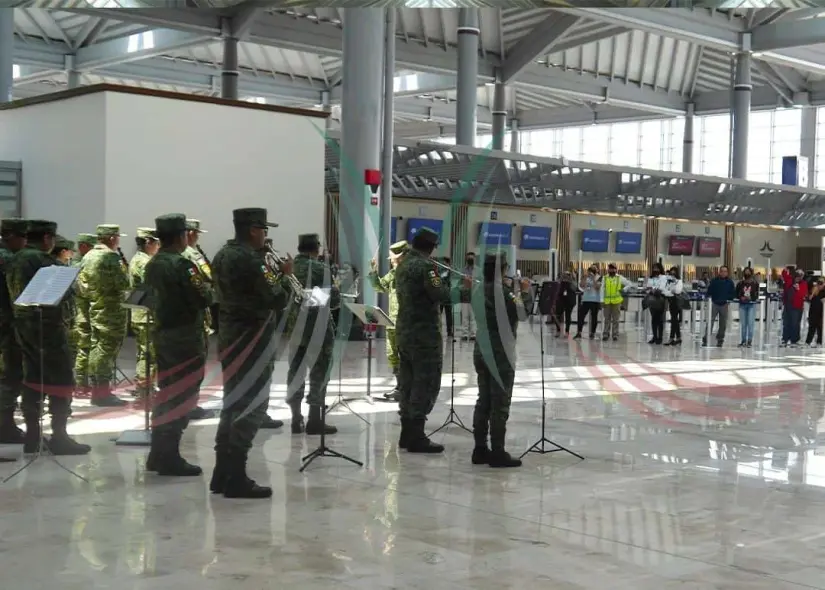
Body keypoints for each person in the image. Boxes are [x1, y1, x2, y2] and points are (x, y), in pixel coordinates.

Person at [210, 208, 293, 499]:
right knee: (251, 405)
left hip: (231, 336)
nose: (267, 236)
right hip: (252, 340)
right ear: (254, 230)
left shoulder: (222, 254)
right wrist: (284, 276)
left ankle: (221, 473)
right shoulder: (250, 260)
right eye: (264, 230)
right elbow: (275, 299)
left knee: (232, 403)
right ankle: (236, 477)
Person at [7, 220, 90, 455]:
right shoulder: (44, 261)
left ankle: (33, 436)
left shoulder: (15, 258)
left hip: (22, 327)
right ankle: (60, 436)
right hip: (48, 329)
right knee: (61, 380)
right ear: (46, 239)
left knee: (32, 379)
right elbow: (66, 293)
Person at [143, 214, 213, 476]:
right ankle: (169, 457)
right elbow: (204, 297)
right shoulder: (183, 265)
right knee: (183, 396)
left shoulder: (153, 264)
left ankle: (157, 453)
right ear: (182, 236)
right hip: (185, 338)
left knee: (166, 393)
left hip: (163, 335)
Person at [396, 227, 467, 453]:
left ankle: (406, 434)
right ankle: (417, 436)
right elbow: (442, 295)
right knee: (424, 383)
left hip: (404, 332)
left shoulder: (403, 264)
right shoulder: (427, 268)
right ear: (431, 247)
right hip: (424, 335)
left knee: (407, 383)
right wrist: (461, 287)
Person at [471, 252, 532, 468]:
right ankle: (497, 451)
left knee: (483, 400)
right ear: (503, 269)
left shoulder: (477, 289)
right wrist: (525, 292)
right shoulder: (505, 293)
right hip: (501, 354)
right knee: (500, 403)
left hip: (481, 350)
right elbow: (523, 314)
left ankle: (479, 449)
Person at [285, 233, 340, 434]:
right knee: (319, 373)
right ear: (316, 248)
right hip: (318, 329)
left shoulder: (288, 268)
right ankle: (315, 421)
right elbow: (333, 301)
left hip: (294, 329)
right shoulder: (319, 268)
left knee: (295, 371)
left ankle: (295, 418)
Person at [78, 224, 129, 407]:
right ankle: (102, 393)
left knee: (96, 347)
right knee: (107, 350)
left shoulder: (88, 256)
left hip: (95, 308)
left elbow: (81, 286)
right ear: (112, 238)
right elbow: (123, 283)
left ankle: (97, 388)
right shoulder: (110, 257)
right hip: (111, 311)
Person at [181, 219, 218, 421]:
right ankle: (191, 405)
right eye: (196, 233)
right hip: (195, 315)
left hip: (177, 317)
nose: (197, 237)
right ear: (190, 233)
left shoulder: (167, 255)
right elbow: (210, 275)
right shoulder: (193, 255)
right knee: (195, 362)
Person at [368, 240, 409, 402]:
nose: (391, 260)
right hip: (392, 320)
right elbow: (379, 287)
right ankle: (400, 387)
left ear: (402, 257)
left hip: (406, 322)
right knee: (393, 354)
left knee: (405, 355)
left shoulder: (409, 273)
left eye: (393, 257)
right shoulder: (393, 273)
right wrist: (373, 272)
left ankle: (406, 388)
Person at [0, 218, 27, 444]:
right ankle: (5, 427)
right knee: (9, 376)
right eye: (23, 237)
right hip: (5, 328)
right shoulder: (9, 259)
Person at [129, 227, 160, 397]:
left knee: (145, 352)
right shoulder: (144, 262)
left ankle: (144, 385)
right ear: (148, 243)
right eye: (156, 243)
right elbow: (152, 286)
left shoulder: (140, 259)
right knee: (148, 354)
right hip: (146, 314)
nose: (158, 246)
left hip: (142, 314)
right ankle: (144, 388)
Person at [71, 232, 98, 397]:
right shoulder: (77, 266)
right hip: (81, 313)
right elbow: (83, 290)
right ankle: (81, 384)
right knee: (83, 348)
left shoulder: (85, 263)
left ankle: (85, 382)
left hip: (88, 310)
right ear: (83, 247)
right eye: (91, 246)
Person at [704, 266, 736, 347]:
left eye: (725, 271)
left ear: (727, 273)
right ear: (719, 272)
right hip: (714, 303)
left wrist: (728, 299)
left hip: (724, 304)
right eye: (722, 271)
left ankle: (720, 339)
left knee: (723, 324)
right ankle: (706, 338)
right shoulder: (714, 281)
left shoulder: (730, 282)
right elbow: (709, 291)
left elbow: (733, 293)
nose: (723, 273)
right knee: (710, 321)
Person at [600, 263, 633, 341]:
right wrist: (601, 300)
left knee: (616, 319)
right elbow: (602, 290)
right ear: (608, 269)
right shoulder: (605, 278)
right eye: (610, 268)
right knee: (607, 319)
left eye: (613, 268)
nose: (611, 270)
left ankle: (615, 335)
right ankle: (605, 334)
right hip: (607, 302)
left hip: (617, 302)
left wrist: (624, 289)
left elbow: (629, 284)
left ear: (616, 269)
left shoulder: (619, 278)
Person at [781, 266, 808, 347]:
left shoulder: (803, 284)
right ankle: (785, 339)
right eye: (797, 275)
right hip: (787, 305)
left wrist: (798, 289)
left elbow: (802, 295)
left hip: (797, 307)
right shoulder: (789, 281)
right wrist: (785, 269)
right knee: (786, 322)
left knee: (795, 323)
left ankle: (794, 340)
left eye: (800, 276)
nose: (798, 278)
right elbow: (785, 275)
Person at [575, 265, 601, 339]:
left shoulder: (599, 277)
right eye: (590, 270)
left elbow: (597, 287)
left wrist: (593, 278)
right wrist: (584, 277)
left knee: (594, 317)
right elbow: (581, 285)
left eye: (593, 270)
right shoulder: (586, 277)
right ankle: (579, 332)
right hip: (586, 299)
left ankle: (592, 333)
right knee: (581, 315)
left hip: (595, 300)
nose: (591, 272)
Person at [736, 267, 760, 348]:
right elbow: (736, 293)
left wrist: (752, 298)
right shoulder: (740, 283)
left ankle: (749, 340)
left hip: (751, 305)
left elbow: (757, 294)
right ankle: (743, 340)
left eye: (748, 272)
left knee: (750, 323)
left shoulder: (755, 284)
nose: (747, 274)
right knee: (743, 324)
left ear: (751, 273)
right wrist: (740, 297)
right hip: (742, 305)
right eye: (745, 272)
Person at [646, 262, 668, 345]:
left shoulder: (663, 277)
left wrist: (653, 289)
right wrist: (652, 289)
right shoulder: (651, 278)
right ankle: (654, 337)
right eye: (654, 268)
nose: (655, 270)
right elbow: (648, 287)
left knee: (659, 319)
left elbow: (661, 287)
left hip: (661, 299)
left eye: (657, 268)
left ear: (660, 269)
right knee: (653, 318)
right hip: (652, 299)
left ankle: (660, 337)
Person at [551, 271, 577, 337]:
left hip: (569, 300)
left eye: (568, 275)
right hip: (561, 300)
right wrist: (561, 278)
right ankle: (558, 330)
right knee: (558, 315)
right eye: (565, 274)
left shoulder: (572, 281)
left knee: (568, 316)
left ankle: (567, 331)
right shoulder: (560, 281)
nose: (566, 276)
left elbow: (575, 288)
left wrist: (571, 279)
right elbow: (557, 287)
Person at [664, 266, 684, 346]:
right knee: (674, 320)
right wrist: (671, 291)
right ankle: (678, 338)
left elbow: (677, 291)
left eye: (674, 272)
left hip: (676, 302)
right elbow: (666, 291)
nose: (672, 274)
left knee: (674, 320)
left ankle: (672, 338)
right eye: (671, 273)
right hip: (671, 301)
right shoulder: (669, 281)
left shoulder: (679, 281)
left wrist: (671, 290)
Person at [459, 251, 476, 341]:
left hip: (475, 296)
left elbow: (480, 283)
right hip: (465, 296)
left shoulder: (478, 270)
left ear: (475, 259)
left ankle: (473, 334)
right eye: (468, 258)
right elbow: (460, 283)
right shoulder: (463, 270)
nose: (470, 259)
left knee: (473, 317)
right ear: (466, 259)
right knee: (464, 316)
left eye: (472, 258)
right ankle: (464, 334)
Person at [806, 277, 825, 348]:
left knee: (820, 328)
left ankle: (819, 341)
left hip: (821, 313)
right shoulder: (814, 289)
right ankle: (808, 342)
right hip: (813, 312)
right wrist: (811, 295)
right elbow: (809, 298)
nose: (819, 286)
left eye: (821, 284)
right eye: (818, 284)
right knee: (812, 327)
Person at [440, 256, 454, 337]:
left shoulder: (450, 270)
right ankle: (439, 329)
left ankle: (449, 331)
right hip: (441, 295)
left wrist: (449, 269)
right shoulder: (440, 271)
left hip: (448, 295)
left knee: (449, 314)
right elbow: (442, 277)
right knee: (439, 313)